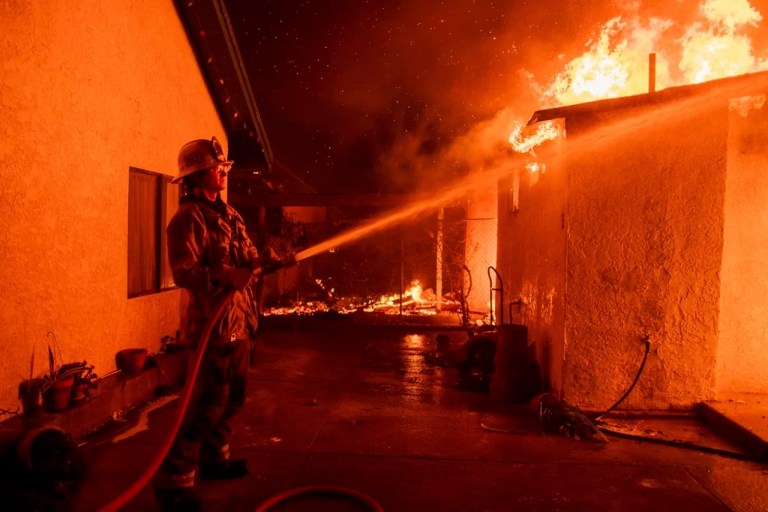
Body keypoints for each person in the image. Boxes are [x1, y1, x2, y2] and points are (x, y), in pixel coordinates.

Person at [154, 136, 264, 511]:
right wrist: (224, 276)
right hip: (212, 331)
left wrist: (262, 260)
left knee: (234, 399)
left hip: (240, 324)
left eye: (222, 167)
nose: (222, 173)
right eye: (217, 168)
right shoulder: (188, 218)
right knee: (207, 407)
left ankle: (215, 461)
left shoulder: (230, 215)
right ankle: (174, 483)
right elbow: (185, 272)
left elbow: (247, 255)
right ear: (198, 176)